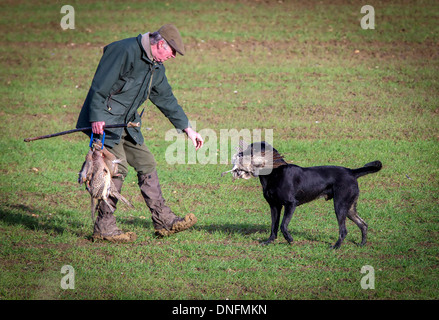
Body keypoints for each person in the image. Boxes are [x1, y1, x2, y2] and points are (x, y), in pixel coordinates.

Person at [76, 24, 204, 242]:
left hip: (127, 124)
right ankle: (104, 226)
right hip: (105, 124)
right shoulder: (124, 50)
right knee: (118, 167)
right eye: (172, 52)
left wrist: (187, 128)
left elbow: (166, 99)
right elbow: (99, 85)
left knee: (146, 162)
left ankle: (163, 221)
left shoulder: (156, 66)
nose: (172, 57)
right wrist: (97, 116)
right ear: (160, 44)